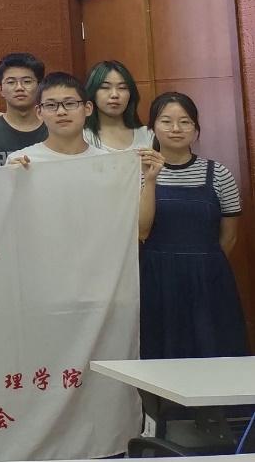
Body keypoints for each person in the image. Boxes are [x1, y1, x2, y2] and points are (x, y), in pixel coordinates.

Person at [140, 92, 246, 359]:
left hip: (209, 279)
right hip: (156, 278)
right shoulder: (139, 175)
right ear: (152, 128)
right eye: (166, 121)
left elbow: (230, 237)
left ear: (196, 129)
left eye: (185, 122)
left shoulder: (219, 173)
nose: (176, 128)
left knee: (214, 350)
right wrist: (150, 180)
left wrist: (201, 264)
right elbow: (140, 231)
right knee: (160, 354)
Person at [7, 72, 108, 165]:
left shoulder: (107, 160)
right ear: (39, 112)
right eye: (51, 105)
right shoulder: (22, 161)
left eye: (70, 103)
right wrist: (12, 175)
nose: (61, 112)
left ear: (87, 108)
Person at [84, 60, 153, 150]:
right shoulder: (82, 138)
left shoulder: (148, 135)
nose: (115, 95)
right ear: (92, 92)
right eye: (105, 87)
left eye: (122, 88)